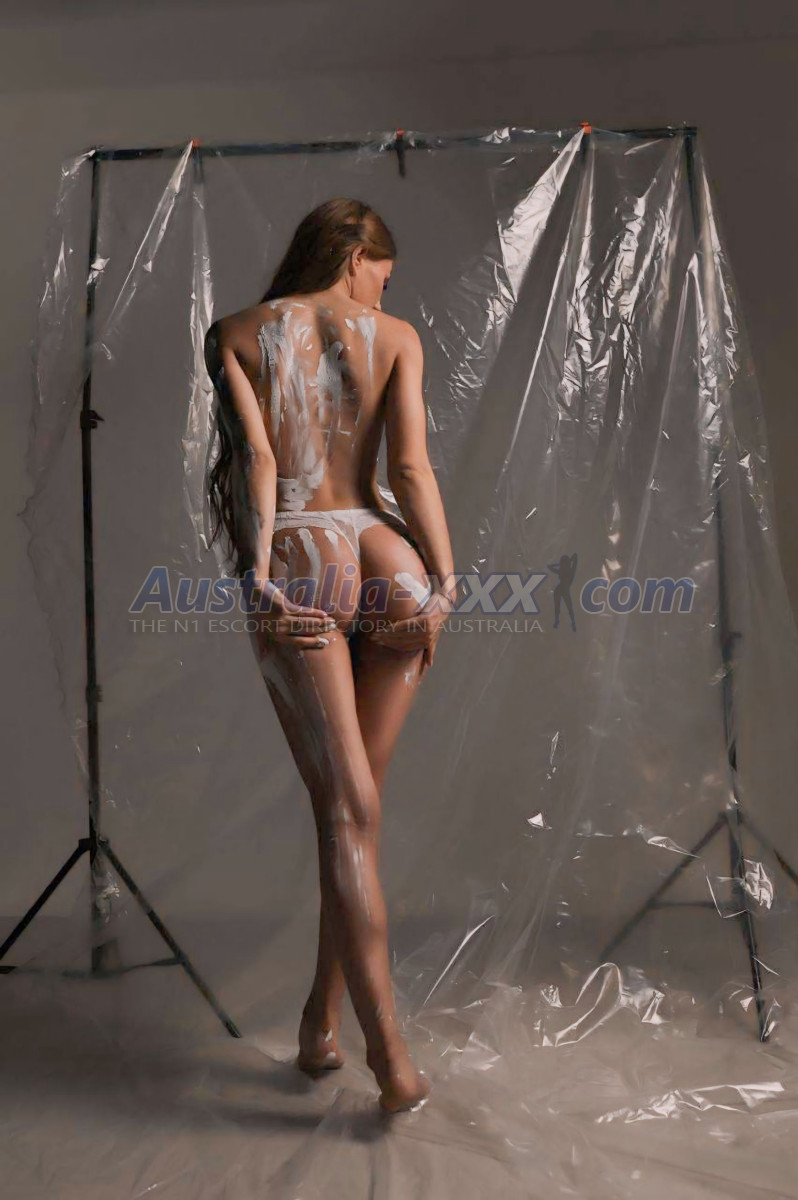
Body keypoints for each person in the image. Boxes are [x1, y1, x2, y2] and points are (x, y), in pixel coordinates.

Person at [203, 198, 457, 1114]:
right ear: (355, 256)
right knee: (357, 816)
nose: (385, 286)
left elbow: (258, 462)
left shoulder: (235, 333)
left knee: (346, 816)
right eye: (383, 269)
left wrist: (253, 567)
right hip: (390, 558)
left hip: (306, 552)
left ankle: (388, 1058)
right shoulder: (397, 337)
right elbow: (410, 471)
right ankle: (320, 1024)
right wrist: (445, 578)